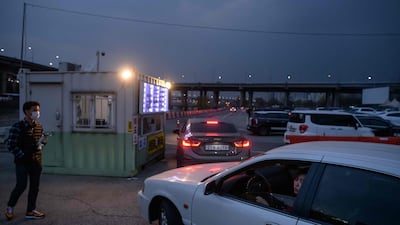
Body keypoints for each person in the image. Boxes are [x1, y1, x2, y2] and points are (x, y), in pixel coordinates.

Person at [4, 101, 47, 220]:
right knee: (21, 185)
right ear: (27, 111)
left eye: (38, 110)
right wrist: (22, 155)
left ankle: (31, 210)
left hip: (36, 161)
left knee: (35, 186)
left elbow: (42, 140)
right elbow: (11, 145)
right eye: (34, 110)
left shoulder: (39, 126)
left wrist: (42, 144)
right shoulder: (17, 127)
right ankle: (10, 207)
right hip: (22, 162)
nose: (37, 112)